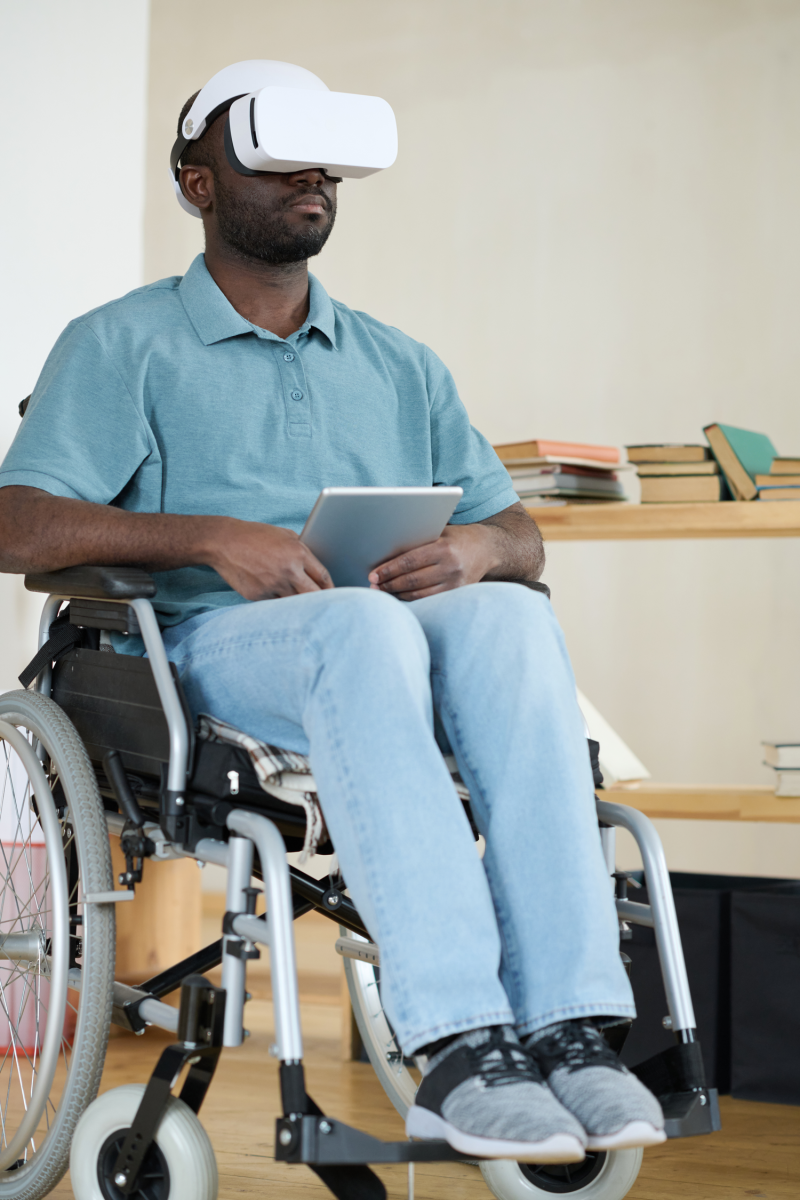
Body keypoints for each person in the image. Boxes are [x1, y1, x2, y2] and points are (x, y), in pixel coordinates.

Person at [0, 61, 664, 1164]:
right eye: (276, 159)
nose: (312, 179)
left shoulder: (398, 361)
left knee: (508, 620)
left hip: (374, 634)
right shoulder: (123, 342)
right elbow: (17, 525)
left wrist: (470, 549)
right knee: (363, 630)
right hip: (200, 648)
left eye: (324, 164)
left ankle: (568, 1024)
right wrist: (209, 536)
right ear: (197, 183)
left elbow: (522, 539)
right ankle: (452, 1039)